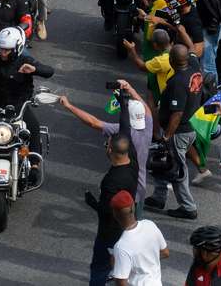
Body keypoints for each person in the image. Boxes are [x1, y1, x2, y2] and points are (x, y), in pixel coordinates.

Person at [0, 27, 53, 177]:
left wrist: (34, 69)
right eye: (1, 49)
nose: (3, 53)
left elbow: (49, 71)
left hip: (19, 106)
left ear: (16, 48)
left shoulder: (25, 61)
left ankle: (34, 165)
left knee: (33, 127)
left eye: (7, 50)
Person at [59, 80, 153, 215]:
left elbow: (93, 122)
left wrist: (69, 106)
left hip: (124, 190)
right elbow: (147, 109)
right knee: (135, 226)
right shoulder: (148, 126)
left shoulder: (122, 131)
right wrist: (131, 89)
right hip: (140, 189)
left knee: (117, 223)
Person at [144, 44, 200, 219]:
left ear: (172, 61)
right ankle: (158, 197)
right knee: (164, 162)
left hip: (179, 132)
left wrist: (167, 135)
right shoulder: (193, 68)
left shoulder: (178, 82)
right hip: (190, 128)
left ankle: (188, 207)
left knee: (177, 169)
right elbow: (191, 48)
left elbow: (177, 113)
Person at [85, 133, 138, 286]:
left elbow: (106, 211)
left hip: (109, 232)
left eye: (106, 145)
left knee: (99, 268)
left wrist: (92, 202)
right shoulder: (133, 164)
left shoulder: (111, 181)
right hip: (128, 224)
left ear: (110, 150)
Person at [110, 190, 169, 286]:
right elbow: (165, 253)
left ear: (115, 214)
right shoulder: (150, 225)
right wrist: (146, 261)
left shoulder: (121, 247)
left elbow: (121, 282)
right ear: (133, 207)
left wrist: (117, 265)